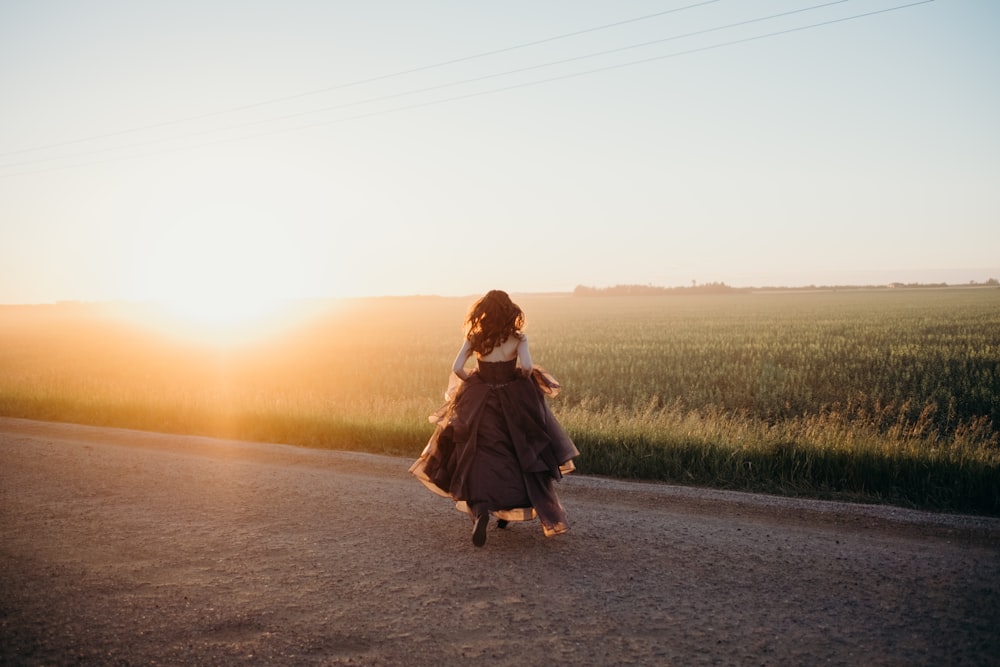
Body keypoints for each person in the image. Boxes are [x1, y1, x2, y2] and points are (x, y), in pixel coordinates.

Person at [410, 290, 579, 547]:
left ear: (484, 312)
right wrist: (516, 382)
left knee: (476, 454)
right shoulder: (518, 339)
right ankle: (506, 511)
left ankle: (481, 511)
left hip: (480, 399)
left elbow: (456, 369)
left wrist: (475, 382)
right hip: (513, 401)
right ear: (511, 311)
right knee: (517, 453)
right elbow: (527, 368)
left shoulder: (475, 338)